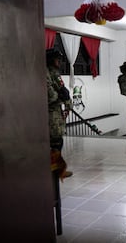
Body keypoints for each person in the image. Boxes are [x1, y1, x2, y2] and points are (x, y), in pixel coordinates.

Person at [46, 48, 73, 180]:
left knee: (58, 141)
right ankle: (55, 171)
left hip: (57, 110)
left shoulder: (54, 72)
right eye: (58, 59)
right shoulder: (45, 72)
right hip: (50, 112)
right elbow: (49, 94)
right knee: (55, 141)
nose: (60, 62)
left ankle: (58, 169)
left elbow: (62, 89)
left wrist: (67, 101)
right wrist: (60, 97)